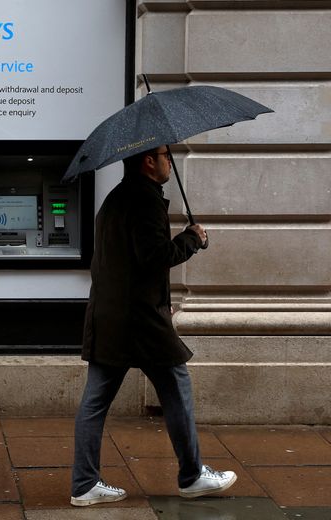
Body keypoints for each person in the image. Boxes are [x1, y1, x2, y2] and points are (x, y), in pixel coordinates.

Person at [70, 146, 237, 506]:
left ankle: (84, 483)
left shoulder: (115, 199)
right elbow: (154, 257)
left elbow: (125, 262)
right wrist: (193, 238)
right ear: (149, 161)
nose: (168, 161)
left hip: (110, 314)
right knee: (177, 385)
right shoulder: (144, 200)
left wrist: (161, 299)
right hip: (139, 320)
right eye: (165, 155)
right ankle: (192, 476)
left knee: (95, 401)